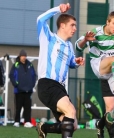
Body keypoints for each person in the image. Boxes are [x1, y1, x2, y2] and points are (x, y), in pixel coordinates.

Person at [75, 11, 114, 138]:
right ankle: (111, 133)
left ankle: (103, 122)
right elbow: (78, 46)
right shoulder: (96, 32)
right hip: (101, 67)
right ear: (107, 22)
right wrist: (85, 40)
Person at [36, 3, 85, 138]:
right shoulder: (48, 38)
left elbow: (70, 63)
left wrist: (76, 62)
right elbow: (40, 19)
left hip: (60, 88)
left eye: (75, 25)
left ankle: (44, 127)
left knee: (72, 125)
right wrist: (58, 9)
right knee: (71, 110)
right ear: (62, 25)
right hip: (47, 84)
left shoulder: (69, 46)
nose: (75, 28)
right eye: (72, 25)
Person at [9, 49, 37, 128]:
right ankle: (16, 121)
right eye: (22, 56)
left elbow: (34, 75)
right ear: (20, 56)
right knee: (18, 106)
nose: (24, 57)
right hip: (19, 90)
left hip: (28, 90)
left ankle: (27, 121)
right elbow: (11, 75)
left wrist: (32, 84)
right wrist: (16, 84)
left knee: (27, 107)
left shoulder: (30, 65)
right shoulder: (16, 65)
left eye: (25, 56)